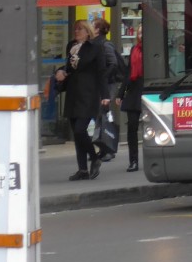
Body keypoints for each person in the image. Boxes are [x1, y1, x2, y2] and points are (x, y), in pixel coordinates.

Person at [54, 20, 108, 181]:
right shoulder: (71, 46)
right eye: (75, 29)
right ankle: (82, 169)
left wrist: (105, 95)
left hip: (88, 93)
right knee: (76, 134)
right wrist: (61, 72)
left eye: (80, 29)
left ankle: (94, 157)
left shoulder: (95, 47)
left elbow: (102, 72)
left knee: (80, 129)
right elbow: (68, 67)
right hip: (73, 92)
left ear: (87, 31)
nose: (76, 31)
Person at [92, 17, 124, 162]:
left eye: (92, 26)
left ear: (98, 29)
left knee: (104, 114)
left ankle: (109, 147)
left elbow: (113, 64)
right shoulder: (94, 44)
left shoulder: (105, 44)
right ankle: (103, 147)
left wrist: (103, 78)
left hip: (107, 85)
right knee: (100, 115)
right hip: (101, 84)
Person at [116, 27, 143, 173]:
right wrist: (120, 94)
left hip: (149, 91)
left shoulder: (154, 49)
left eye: (144, 32)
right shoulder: (134, 49)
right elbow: (128, 73)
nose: (141, 35)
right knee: (132, 127)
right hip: (134, 92)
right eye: (139, 33)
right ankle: (133, 160)